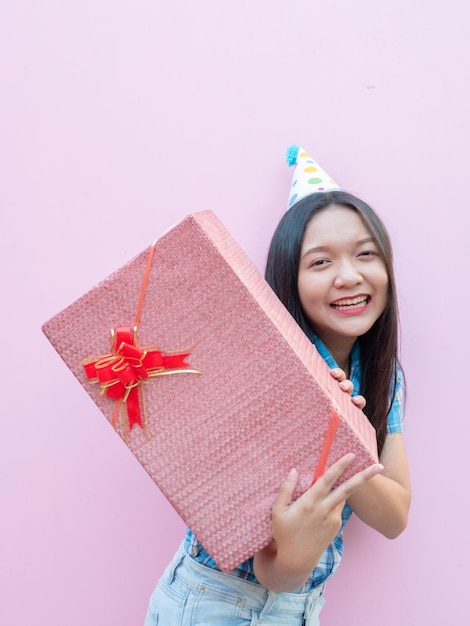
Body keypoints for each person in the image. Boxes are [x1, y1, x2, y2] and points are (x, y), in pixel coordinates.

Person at [143, 146, 411, 625]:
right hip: (216, 602)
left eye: (365, 254)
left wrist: (334, 430)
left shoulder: (383, 373)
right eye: (321, 262)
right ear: (289, 277)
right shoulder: (261, 369)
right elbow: (274, 570)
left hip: (301, 608)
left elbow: (394, 516)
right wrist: (316, 418)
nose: (349, 276)